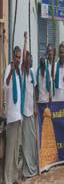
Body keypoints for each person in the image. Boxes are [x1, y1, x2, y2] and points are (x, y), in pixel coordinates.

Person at [3, 45, 23, 184]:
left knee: (16, 148)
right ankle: (7, 179)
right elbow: (5, 86)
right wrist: (10, 71)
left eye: (19, 57)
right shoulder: (9, 70)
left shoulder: (18, 72)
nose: (18, 60)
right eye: (16, 57)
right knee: (9, 151)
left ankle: (15, 176)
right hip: (11, 117)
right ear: (13, 57)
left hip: (19, 116)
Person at [21, 33, 38, 179]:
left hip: (31, 113)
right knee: (25, 143)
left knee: (32, 142)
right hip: (24, 114)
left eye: (30, 60)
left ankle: (33, 166)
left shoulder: (32, 73)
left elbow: (35, 91)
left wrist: (36, 108)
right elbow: (23, 60)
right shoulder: (22, 73)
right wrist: (26, 41)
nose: (29, 62)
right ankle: (27, 170)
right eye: (28, 59)